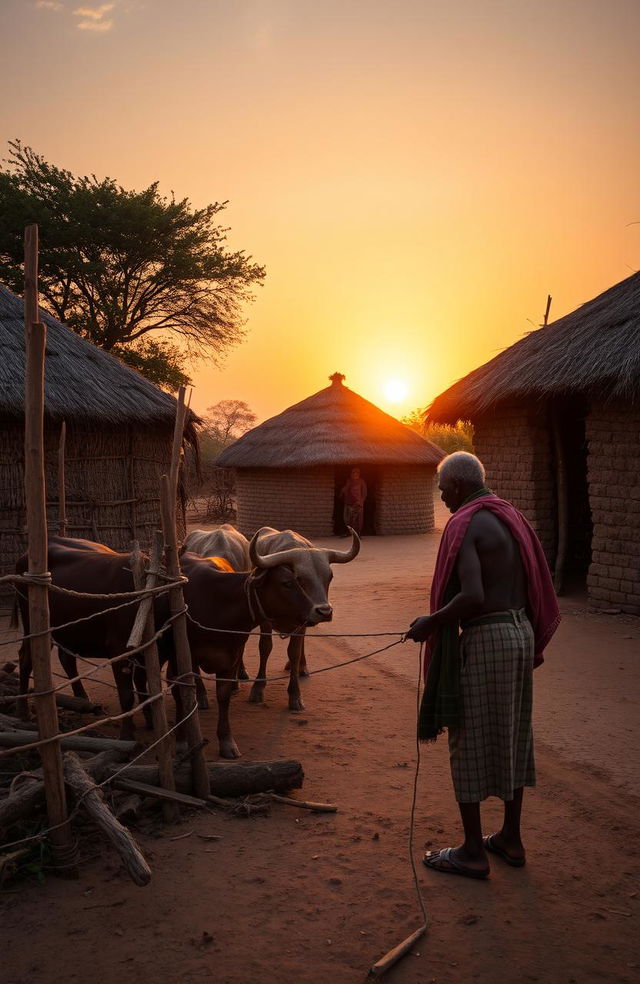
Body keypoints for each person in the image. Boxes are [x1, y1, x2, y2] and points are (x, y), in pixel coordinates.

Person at [405, 451, 560, 879]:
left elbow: (472, 596)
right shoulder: (508, 514)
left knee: (467, 737)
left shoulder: (465, 522)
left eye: (441, 486)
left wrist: (431, 623)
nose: (440, 494)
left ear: (456, 485)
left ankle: (473, 851)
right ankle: (510, 837)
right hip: (519, 632)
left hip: (489, 634)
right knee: (512, 732)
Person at [340, 467, 367, 536]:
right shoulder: (349, 481)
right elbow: (345, 489)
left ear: (359, 474)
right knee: (347, 518)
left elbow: (364, 493)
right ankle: (349, 532)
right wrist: (342, 491)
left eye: (356, 473)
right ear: (351, 474)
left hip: (358, 503)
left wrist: (361, 501)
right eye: (353, 473)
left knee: (358, 519)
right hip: (349, 502)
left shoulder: (361, 481)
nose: (355, 474)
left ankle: (358, 533)